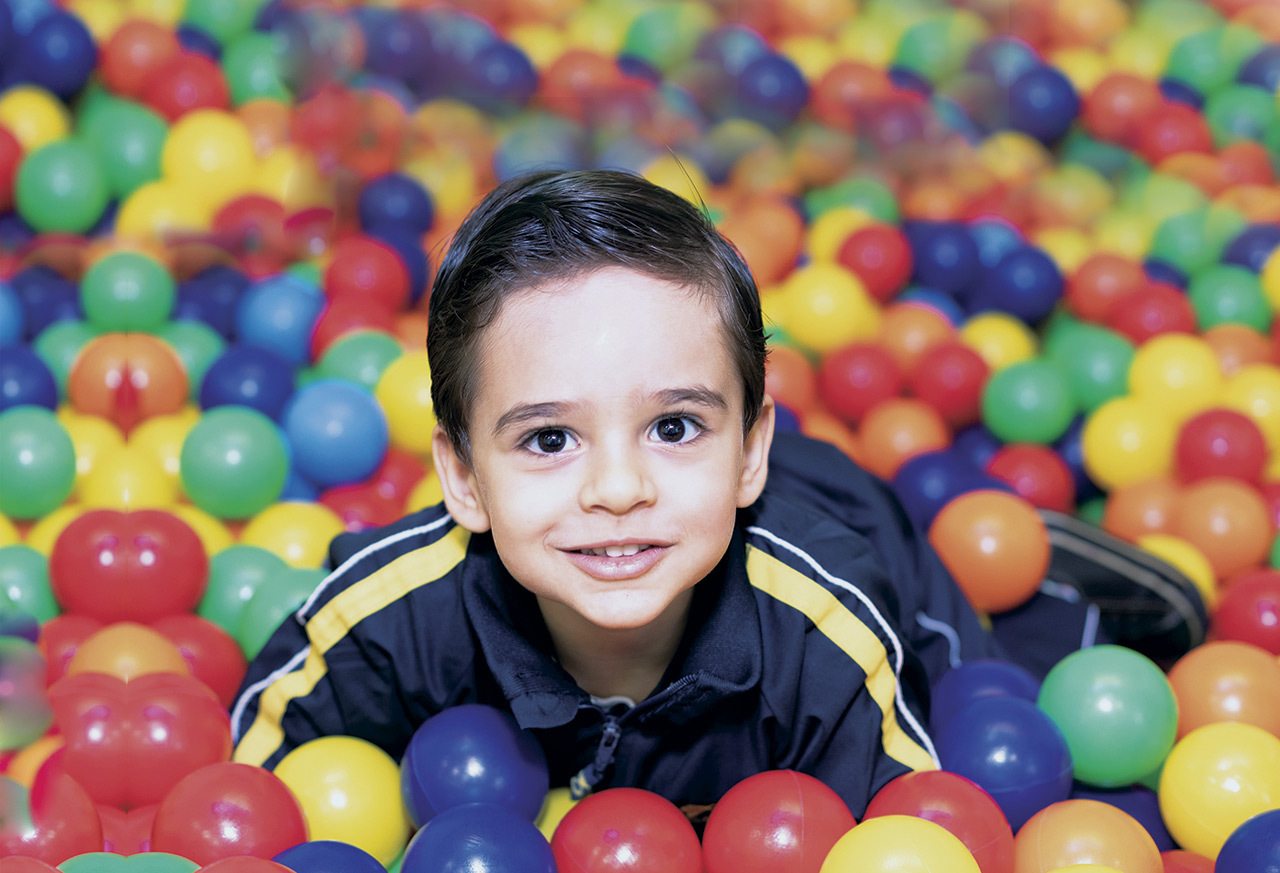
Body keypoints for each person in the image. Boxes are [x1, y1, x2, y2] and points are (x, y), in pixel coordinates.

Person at [229, 169, 1201, 819]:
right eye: (549, 438)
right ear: (461, 478)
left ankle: (1043, 561)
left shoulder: (823, 629)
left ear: (746, 448)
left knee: (980, 672)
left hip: (841, 525)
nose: (617, 488)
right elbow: (256, 763)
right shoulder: (393, 611)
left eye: (673, 425)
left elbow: (909, 828)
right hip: (741, 507)